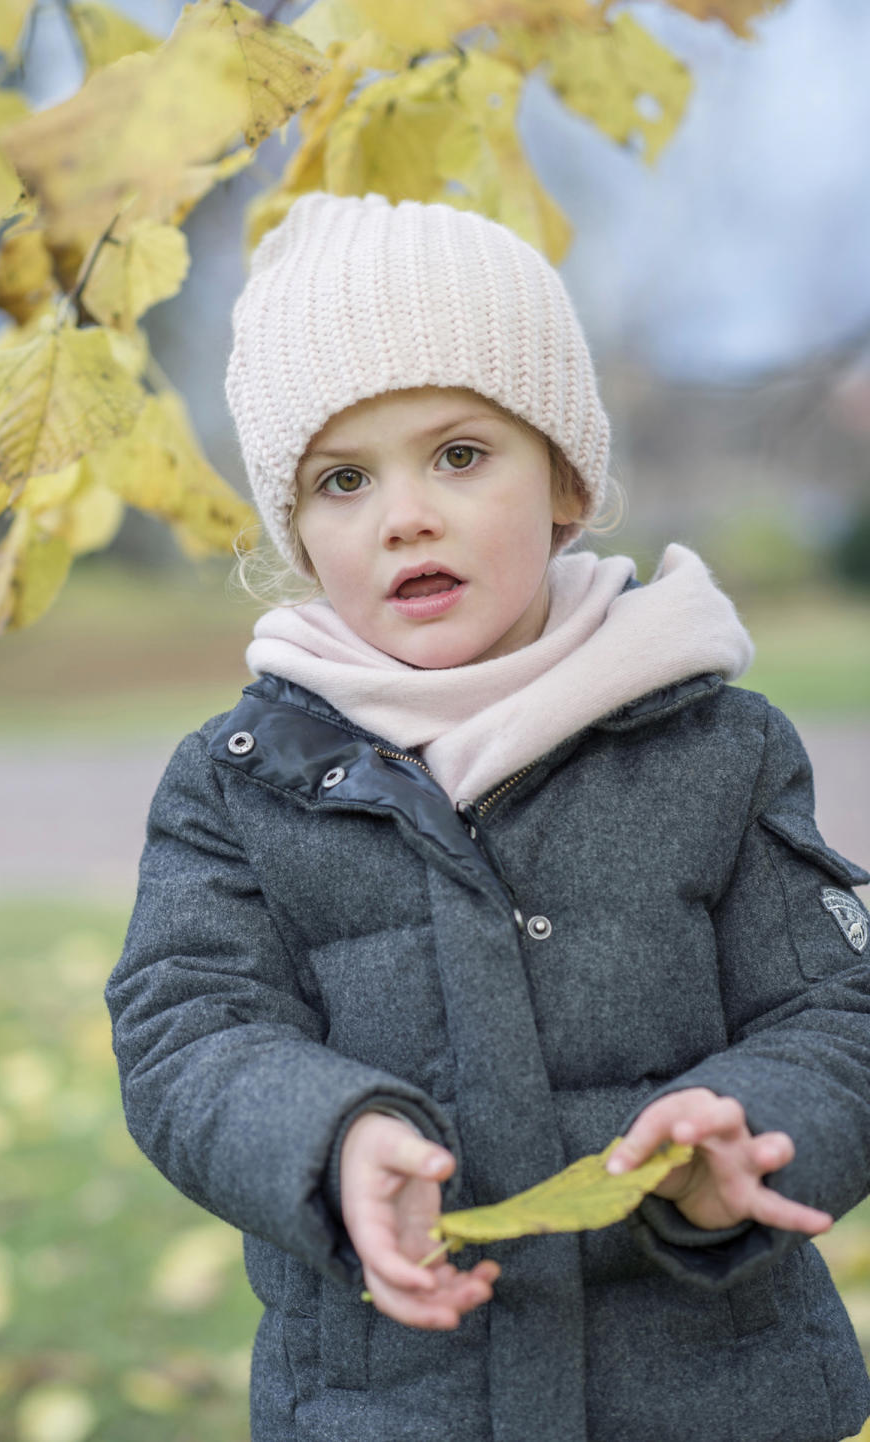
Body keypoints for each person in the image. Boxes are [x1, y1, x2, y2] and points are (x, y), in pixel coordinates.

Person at [104, 191, 870, 1442]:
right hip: (386, 1401)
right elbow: (186, 1027)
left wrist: (757, 1129)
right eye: (343, 478)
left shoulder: (717, 746)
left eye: (459, 454)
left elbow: (840, 1005)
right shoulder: (241, 779)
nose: (404, 511)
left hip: (713, 1393)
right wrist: (331, 1139)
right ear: (298, 530)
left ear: (566, 476)